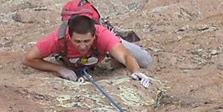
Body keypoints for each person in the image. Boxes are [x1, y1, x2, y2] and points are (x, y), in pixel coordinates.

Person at [25, 14, 154, 86]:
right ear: (69, 36)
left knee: (145, 60)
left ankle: (116, 38)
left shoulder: (102, 36)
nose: (82, 46)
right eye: (77, 41)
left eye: (87, 41)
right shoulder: (58, 39)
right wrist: (59, 69)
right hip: (92, 53)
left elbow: (126, 57)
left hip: (107, 43)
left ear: (94, 36)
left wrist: (136, 71)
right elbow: (29, 59)